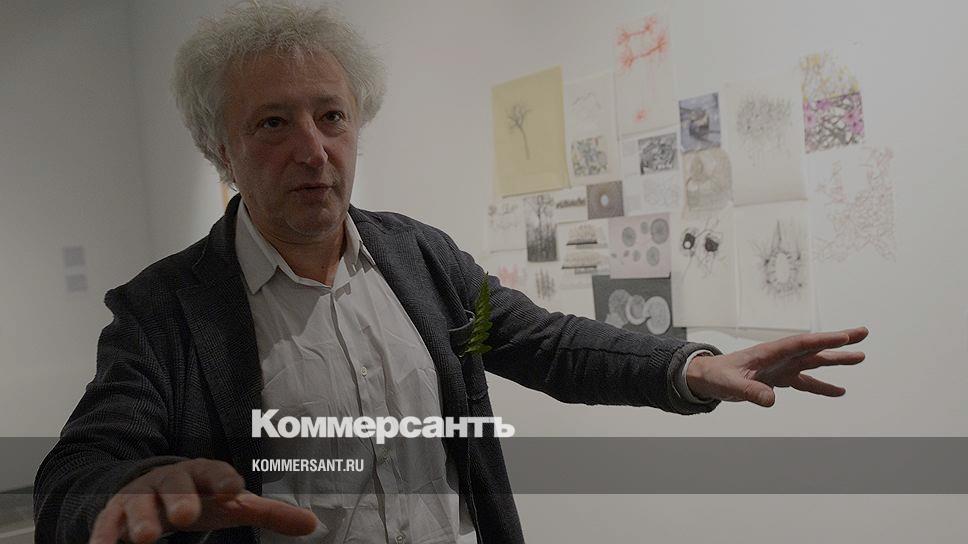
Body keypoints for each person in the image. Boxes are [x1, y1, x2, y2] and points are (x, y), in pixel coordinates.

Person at [33, 2, 868, 543]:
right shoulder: (165, 310)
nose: (313, 149)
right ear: (220, 148)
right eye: (273, 123)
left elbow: (546, 342)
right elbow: (79, 466)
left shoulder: (418, 257)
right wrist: (127, 487)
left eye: (331, 116)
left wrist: (689, 367)